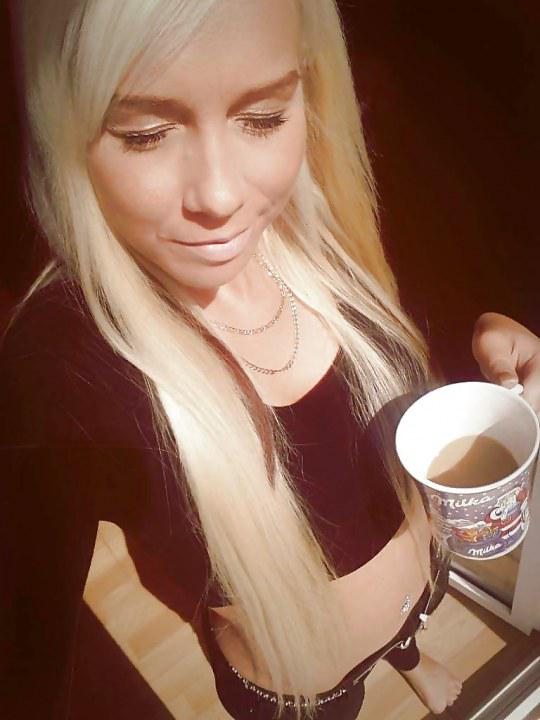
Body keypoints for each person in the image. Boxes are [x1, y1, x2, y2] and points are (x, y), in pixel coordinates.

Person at [2, 1, 533, 719]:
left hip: (422, 587)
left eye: (261, 118)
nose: (221, 197)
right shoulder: (61, 369)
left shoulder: (333, 220)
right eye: (145, 134)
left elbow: (418, 316)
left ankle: (407, 652)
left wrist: (487, 328)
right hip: (304, 688)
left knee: (407, 630)